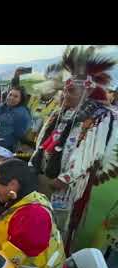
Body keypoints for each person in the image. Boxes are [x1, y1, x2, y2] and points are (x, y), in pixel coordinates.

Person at [30, 46, 118, 254]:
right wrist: (34, 164)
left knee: (59, 228)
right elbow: (43, 143)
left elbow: (91, 153)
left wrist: (64, 178)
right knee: (40, 220)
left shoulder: (99, 117)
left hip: (67, 187)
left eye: (71, 91)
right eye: (65, 91)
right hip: (46, 178)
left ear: (86, 91)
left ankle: (54, 263)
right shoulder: (61, 113)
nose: (65, 95)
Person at [0, 159, 67, 268]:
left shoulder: (33, 216)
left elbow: (6, 263)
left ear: (13, 184)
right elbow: (9, 225)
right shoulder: (27, 198)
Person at [0, 86, 32, 151]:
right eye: (10, 94)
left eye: (16, 96)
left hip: (6, 148)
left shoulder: (22, 114)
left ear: (21, 99)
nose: (11, 98)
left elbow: (20, 134)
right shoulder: (2, 106)